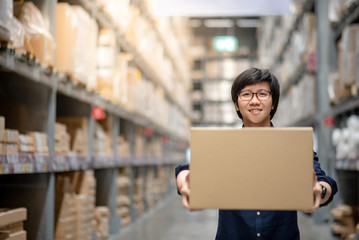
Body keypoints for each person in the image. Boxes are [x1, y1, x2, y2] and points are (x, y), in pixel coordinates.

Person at [175, 68, 338, 240]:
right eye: (246, 94)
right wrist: (185, 184)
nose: (254, 101)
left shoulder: (292, 148)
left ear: (273, 102)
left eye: (262, 94)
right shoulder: (225, 147)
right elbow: (186, 171)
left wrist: (317, 191)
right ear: (236, 104)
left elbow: (326, 183)